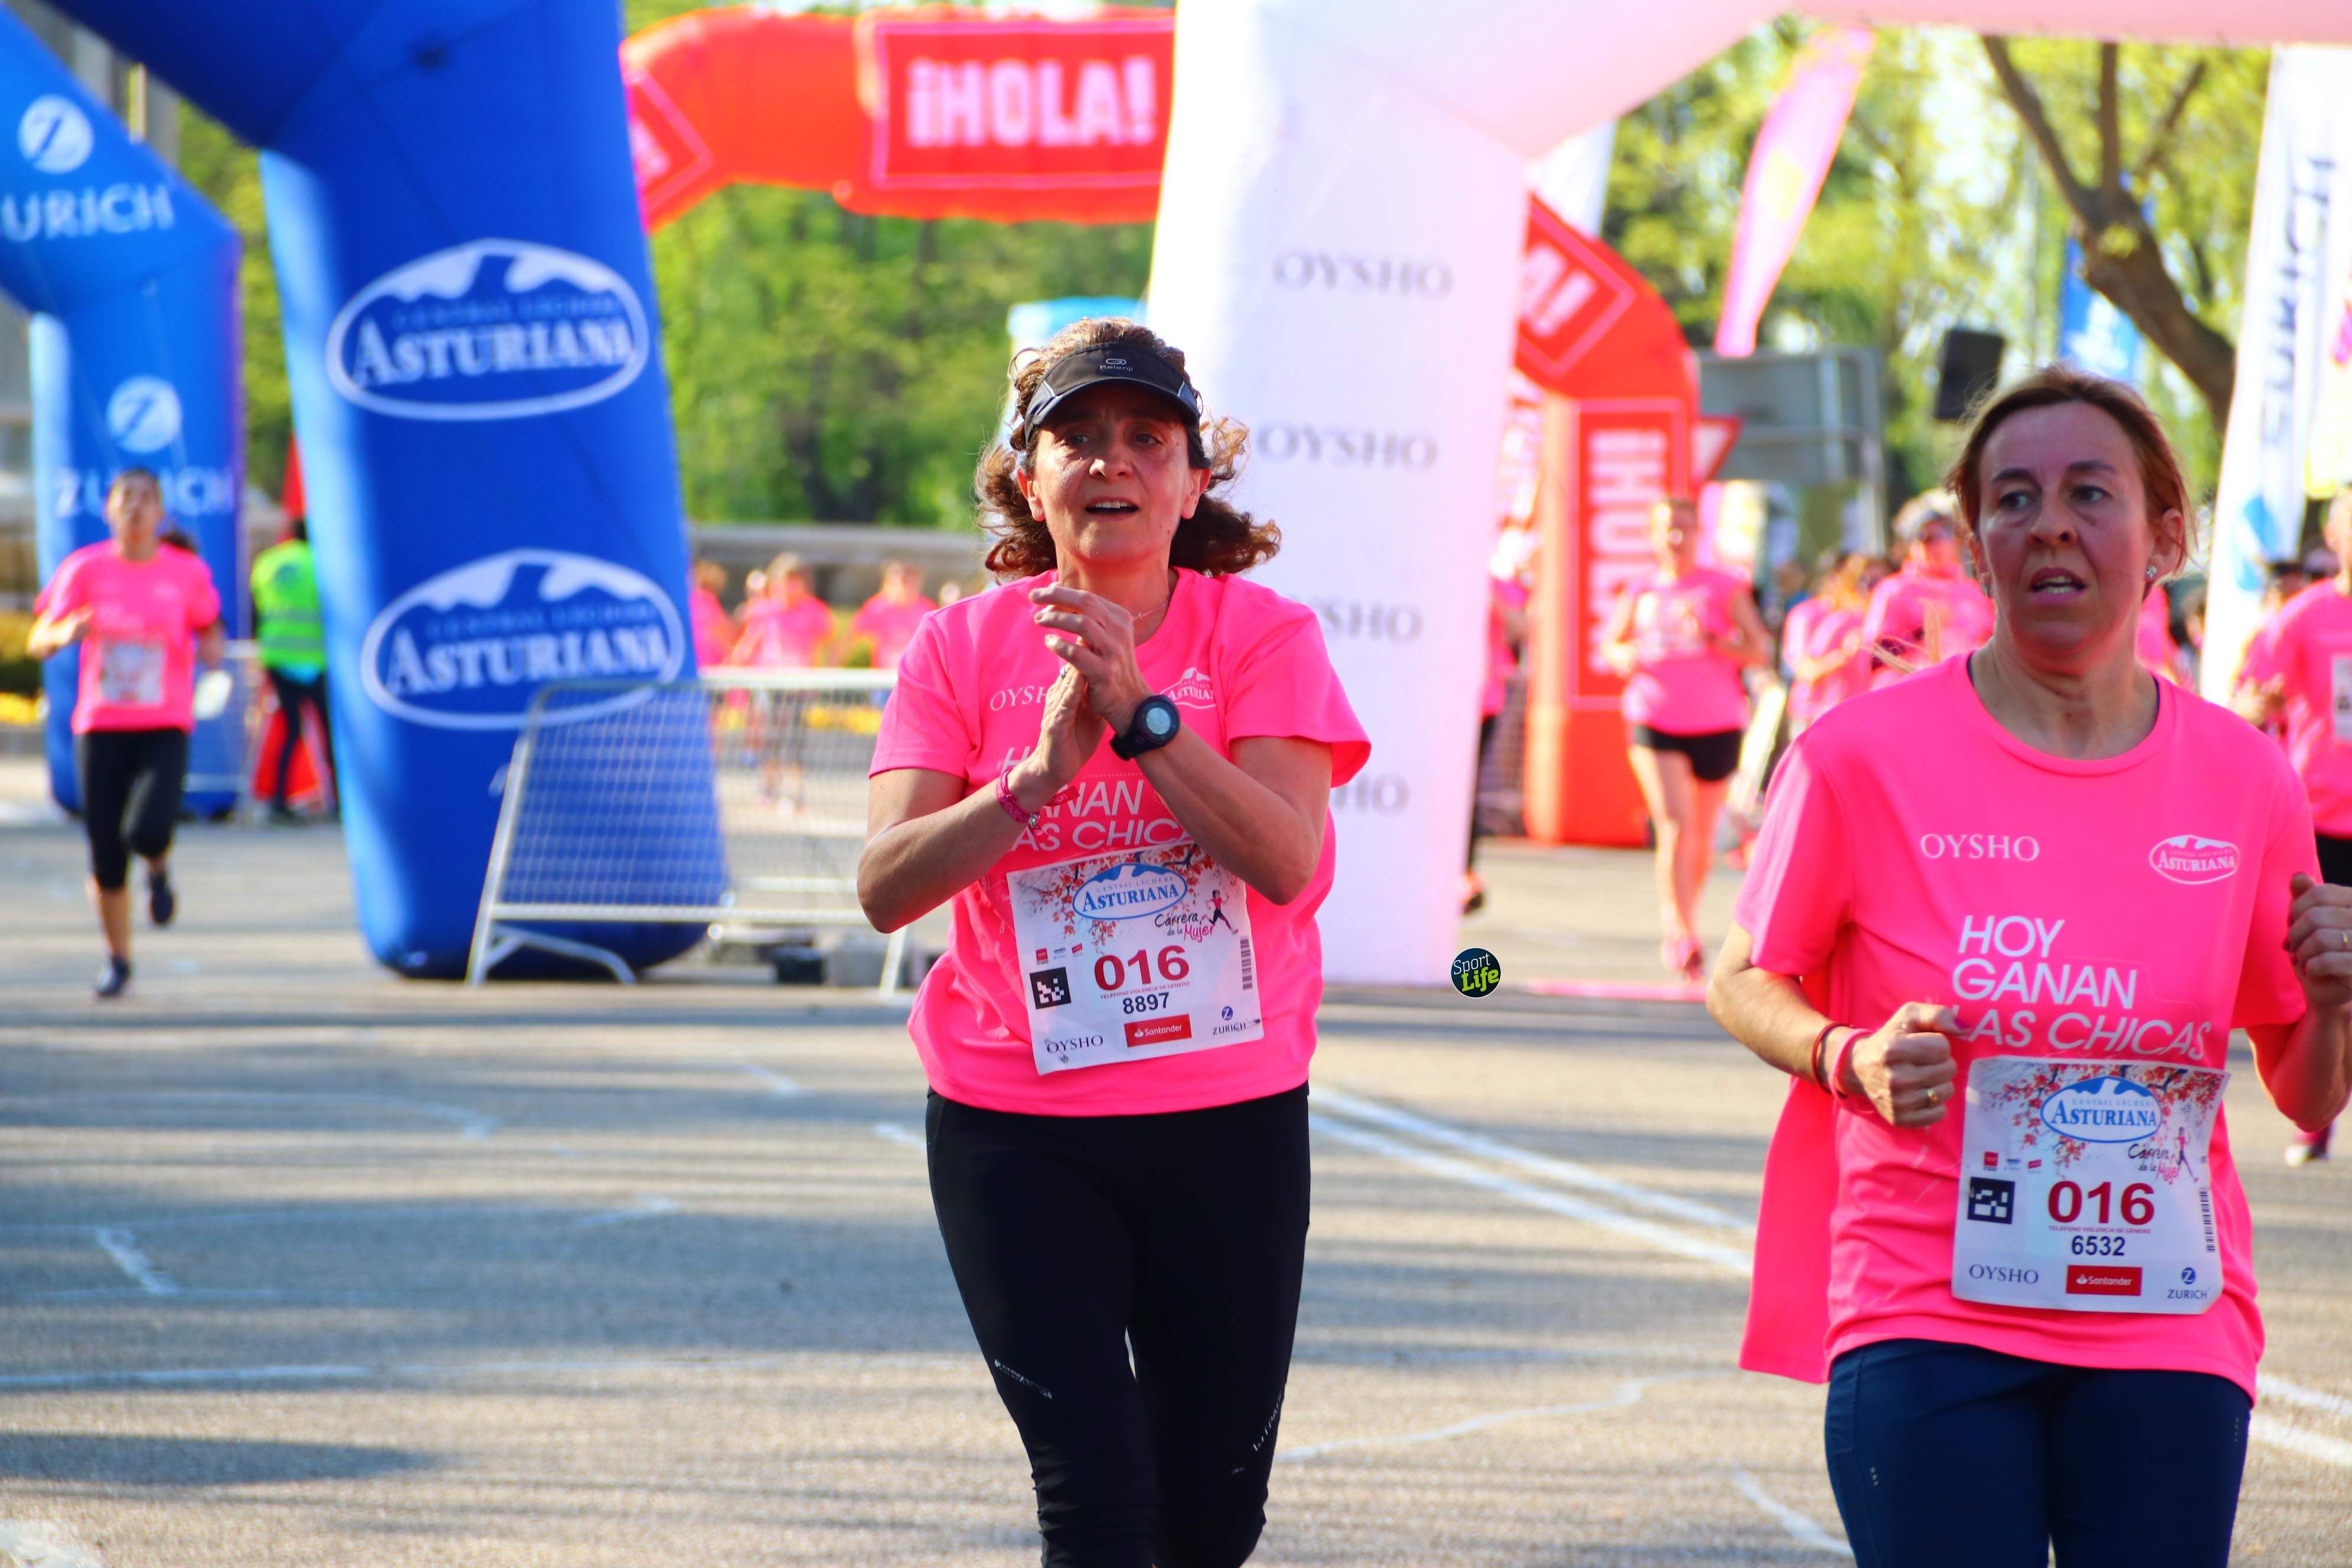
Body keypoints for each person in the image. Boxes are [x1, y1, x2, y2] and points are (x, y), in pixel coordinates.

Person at [1709, 367, 2351, 1568]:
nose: (2048, 520)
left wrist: (2335, 1000)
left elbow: (2308, 1092)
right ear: (1976, 545)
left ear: (2166, 537)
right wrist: (1844, 1053)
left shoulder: (2244, 776)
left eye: (2087, 492)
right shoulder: (1861, 756)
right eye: (2014, 497)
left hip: (2169, 1316)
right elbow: (1745, 972)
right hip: (1926, 1302)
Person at [860, 318, 1367, 1568]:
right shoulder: (961, 646)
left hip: (1227, 1122)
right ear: (1027, 477)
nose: (1111, 460)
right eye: (1074, 437)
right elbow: (883, 886)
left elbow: (1289, 862)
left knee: (1207, 1521)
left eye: (1148, 436)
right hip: (1015, 1129)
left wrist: (1145, 717)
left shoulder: (1262, 637)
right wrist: (1033, 776)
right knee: (1096, 1505)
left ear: (1196, 479)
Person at [28, 469, 226, 999]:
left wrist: (212, 648)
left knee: (147, 828)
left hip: (164, 721)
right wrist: (61, 634)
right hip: (102, 724)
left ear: (161, 513)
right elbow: (37, 636)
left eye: (146, 499)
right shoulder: (85, 569)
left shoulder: (184, 571)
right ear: (110, 510)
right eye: (126, 499)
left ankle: (158, 869)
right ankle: (119, 959)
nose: (136, 508)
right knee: (106, 854)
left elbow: (211, 623)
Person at [1600, 495, 1770, 978]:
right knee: (1674, 826)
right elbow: (1610, 646)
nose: (1675, 538)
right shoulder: (1640, 590)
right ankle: (1679, 930)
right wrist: (1624, 655)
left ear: (1699, 534)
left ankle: (1688, 919)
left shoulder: (1723, 586)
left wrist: (1715, 639)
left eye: (1684, 529)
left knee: (1698, 835)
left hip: (1716, 720)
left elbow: (1759, 650)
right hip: (1654, 715)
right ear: (1653, 536)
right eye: (1667, 529)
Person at [2232, 489, 2352, 1165]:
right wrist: (2259, 701)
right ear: (2335, 536)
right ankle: (2318, 1118)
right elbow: (2246, 694)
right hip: (2325, 819)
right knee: (2326, 972)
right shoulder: (2304, 616)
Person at [1860, 491, 1995, 685]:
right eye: (1924, 537)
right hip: (1915, 695)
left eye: (1942, 534)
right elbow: (1875, 661)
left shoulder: (1973, 591)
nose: (1934, 545)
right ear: (1910, 545)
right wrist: (1920, 632)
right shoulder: (1895, 591)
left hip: (1969, 693)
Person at [250, 517, 334, 822]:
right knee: (329, 734)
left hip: (277, 658)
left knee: (291, 731)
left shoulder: (267, 562)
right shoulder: (323, 561)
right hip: (316, 660)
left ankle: (278, 801)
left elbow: (256, 610)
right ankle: (340, 802)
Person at [1465, 534, 1532, 914]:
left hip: (1484, 698)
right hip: (1445, 698)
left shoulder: (1499, 585)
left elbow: (1520, 629)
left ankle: (1466, 870)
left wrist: (1495, 603)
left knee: (1468, 788)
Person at [1781, 552, 1873, 735]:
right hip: (1813, 715)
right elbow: (1806, 670)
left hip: (1854, 714)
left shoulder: (1863, 615)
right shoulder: (1807, 615)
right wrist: (1844, 655)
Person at [730, 552, 835, 669]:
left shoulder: (815, 610)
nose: (788, 588)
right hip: (769, 677)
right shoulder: (764, 610)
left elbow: (832, 647)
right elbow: (748, 644)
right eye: (784, 582)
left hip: (801, 679)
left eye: (793, 582)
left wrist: (829, 675)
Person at [850, 558, 937, 671]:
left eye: (913, 580)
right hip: (884, 676)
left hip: (917, 676)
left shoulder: (927, 609)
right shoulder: (877, 608)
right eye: (904, 580)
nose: (908, 585)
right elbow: (852, 637)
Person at [688, 558, 736, 671]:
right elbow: (716, 630)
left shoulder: (691, 599)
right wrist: (729, 654)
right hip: (708, 656)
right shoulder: (707, 600)